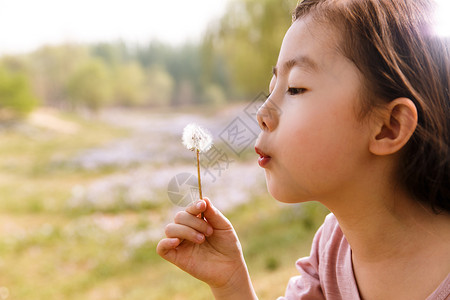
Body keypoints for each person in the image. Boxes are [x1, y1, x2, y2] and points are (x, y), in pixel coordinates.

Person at [157, 0, 450, 298]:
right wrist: (231, 283)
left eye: (295, 88)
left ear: (389, 127)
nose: (261, 113)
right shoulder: (331, 249)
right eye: (272, 88)